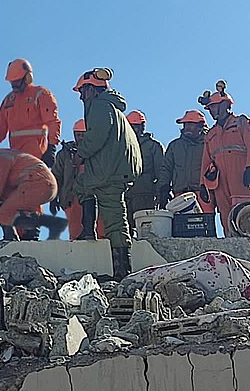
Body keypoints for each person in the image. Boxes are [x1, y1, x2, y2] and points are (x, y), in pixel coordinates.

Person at [71, 68, 141, 279]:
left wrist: (80, 154)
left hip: (109, 172)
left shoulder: (100, 107)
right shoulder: (112, 107)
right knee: (82, 186)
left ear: (91, 89)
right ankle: (88, 231)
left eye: (83, 91)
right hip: (113, 169)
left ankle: (122, 271)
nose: (81, 96)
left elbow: (97, 136)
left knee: (114, 218)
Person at [0, 135, 65, 241]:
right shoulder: (1, 157)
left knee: (4, 212)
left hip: (38, 184)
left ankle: (13, 239)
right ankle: (19, 235)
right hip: (40, 184)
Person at [199, 81, 250, 235]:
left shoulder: (241, 122)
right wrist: (203, 184)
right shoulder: (211, 133)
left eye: (214, 107)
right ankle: (230, 240)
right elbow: (206, 160)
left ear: (225, 104)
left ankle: (248, 240)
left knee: (244, 210)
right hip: (220, 181)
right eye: (210, 109)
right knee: (225, 213)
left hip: (240, 176)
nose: (212, 111)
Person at [0, 59, 61, 167]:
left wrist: (51, 147)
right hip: (16, 159)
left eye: (17, 81)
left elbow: (52, 122)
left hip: (36, 157)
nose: (14, 85)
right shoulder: (8, 101)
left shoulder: (40, 94)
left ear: (28, 78)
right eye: (12, 82)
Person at [50, 119, 105, 239]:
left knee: (101, 231)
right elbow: (55, 177)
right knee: (75, 232)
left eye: (83, 134)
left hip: (97, 197)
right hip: (72, 198)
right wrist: (53, 198)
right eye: (78, 134)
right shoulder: (65, 154)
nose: (80, 138)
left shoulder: (100, 152)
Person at [158, 110, 208, 208]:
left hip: (203, 193)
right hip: (180, 195)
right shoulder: (174, 146)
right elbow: (166, 169)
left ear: (200, 126)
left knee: (205, 221)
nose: (187, 127)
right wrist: (163, 189)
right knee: (182, 222)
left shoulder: (209, 144)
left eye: (191, 124)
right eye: (185, 124)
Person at [125, 110, 164, 227]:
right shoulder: (122, 146)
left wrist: (160, 193)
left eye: (135, 127)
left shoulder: (153, 146)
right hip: (126, 196)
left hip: (146, 195)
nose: (132, 130)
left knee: (145, 229)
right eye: (130, 126)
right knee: (127, 230)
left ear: (142, 127)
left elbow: (161, 173)